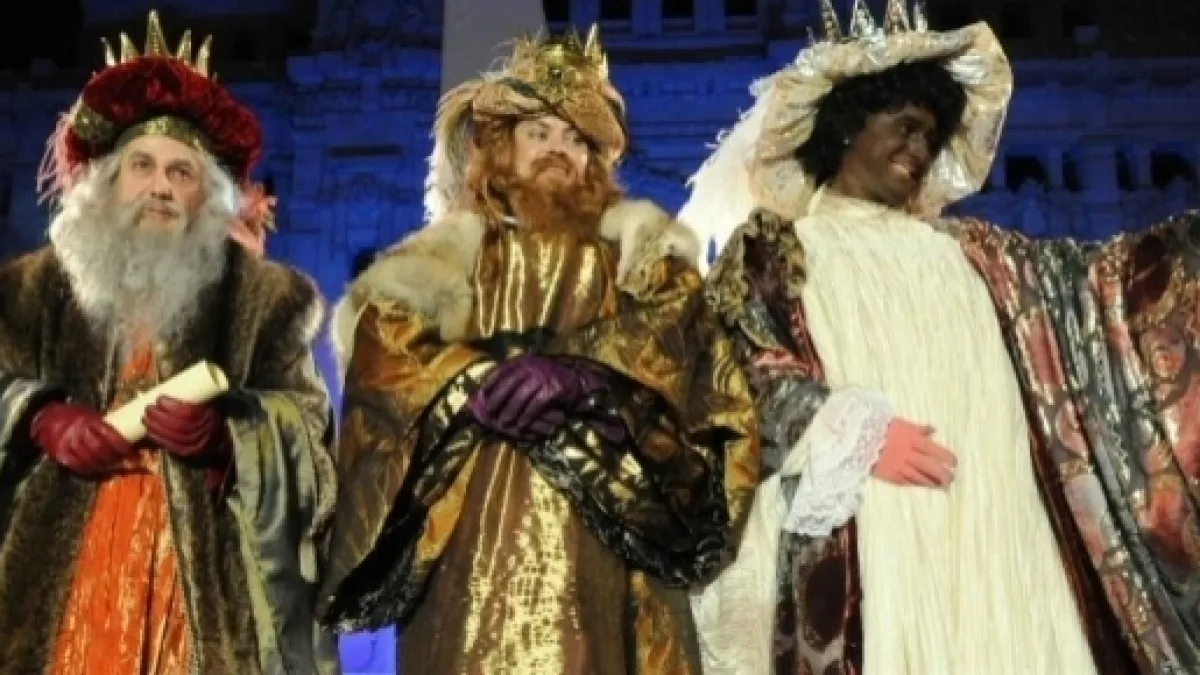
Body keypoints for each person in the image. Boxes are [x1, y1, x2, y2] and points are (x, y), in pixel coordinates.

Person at [681, 1, 1196, 673]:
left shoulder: (979, 252)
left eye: (929, 134)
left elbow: (1101, 291)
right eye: (904, 126)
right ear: (848, 124)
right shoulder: (778, 248)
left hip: (997, 526)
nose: (919, 148)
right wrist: (853, 433)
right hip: (880, 523)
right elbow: (739, 364)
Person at [318, 27, 760, 675]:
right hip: (468, 556)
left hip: (609, 565)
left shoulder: (644, 268)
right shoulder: (433, 267)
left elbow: (696, 377)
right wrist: (471, 387)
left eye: (576, 138)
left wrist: (585, 380)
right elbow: (386, 375)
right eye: (539, 131)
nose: (558, 148)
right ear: (501, 146)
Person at [0, 12, 339, 673]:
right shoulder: (29, 292)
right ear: (106, 182)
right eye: (142, 165)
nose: (160, 186)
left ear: (207, 197)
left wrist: (231, 438)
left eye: (182, 172)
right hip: (51, 603)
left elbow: (310, 437)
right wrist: (39, 416)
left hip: (204, 609)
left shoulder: (265, 302)